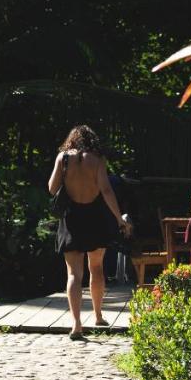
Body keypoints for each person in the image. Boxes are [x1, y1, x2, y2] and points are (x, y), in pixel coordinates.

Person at [48, 125, 133, 340]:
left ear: (72, 140)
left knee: (74, 274)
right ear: (91, 140)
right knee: (96, 269)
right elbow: (106, 190)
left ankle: (76, 325)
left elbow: (51, 188)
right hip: (95, 218)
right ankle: (97, 315)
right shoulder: (97, 159)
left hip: (71, 218)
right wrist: (118, 218)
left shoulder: (63, 158)